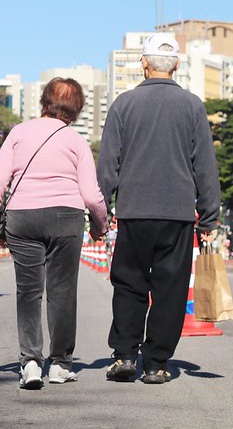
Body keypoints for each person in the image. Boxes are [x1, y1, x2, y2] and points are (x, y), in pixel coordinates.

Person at [97, 33, 221, 385]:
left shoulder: (124, 104)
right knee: (170, 289)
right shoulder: (193, 106)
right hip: (178, 214)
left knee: (129, 283)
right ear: (177, 65)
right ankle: (156, 363)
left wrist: (100, 212)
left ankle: (124, 355)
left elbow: (109, 164)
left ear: (143, 63)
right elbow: (204, 165)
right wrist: (209, 215)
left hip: (134, 211)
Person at [0, 77, 108, 389]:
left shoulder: (18, 132)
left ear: (44, 102)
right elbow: (92, 195)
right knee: (62, 292)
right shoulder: (76, 141)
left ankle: (29, 363)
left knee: (28, 291)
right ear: (77, 109)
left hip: (22, 218)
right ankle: (61, 364)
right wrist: (100, 225)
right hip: (66, 218)